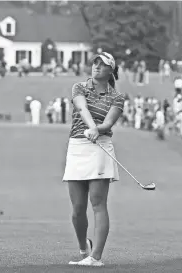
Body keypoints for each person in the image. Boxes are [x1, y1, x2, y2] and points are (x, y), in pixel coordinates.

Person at [63, 52, 125, 267]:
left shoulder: (116, 97)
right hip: (78, 146)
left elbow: (108, 124)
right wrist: (91, 127)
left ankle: (96, 257)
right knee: (77, 208)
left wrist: (97, 129)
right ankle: (83, 249)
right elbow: (81, 107)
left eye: (102, 65)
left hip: (100, 148)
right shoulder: (79, 87)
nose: (96, 67)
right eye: (95, 63)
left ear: (111, 70)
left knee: (98, 204)